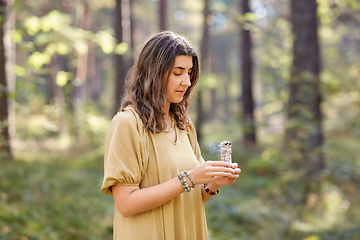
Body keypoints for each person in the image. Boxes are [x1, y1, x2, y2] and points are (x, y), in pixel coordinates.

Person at [101, 31, 241, 240]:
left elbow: (189, 197)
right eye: (178, 72)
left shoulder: (184, 126)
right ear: (154, 73)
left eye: (190, 72)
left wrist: (213, 183)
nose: (187, 81)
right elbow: (126, 204)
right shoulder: (127, 124)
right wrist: (190, 178)